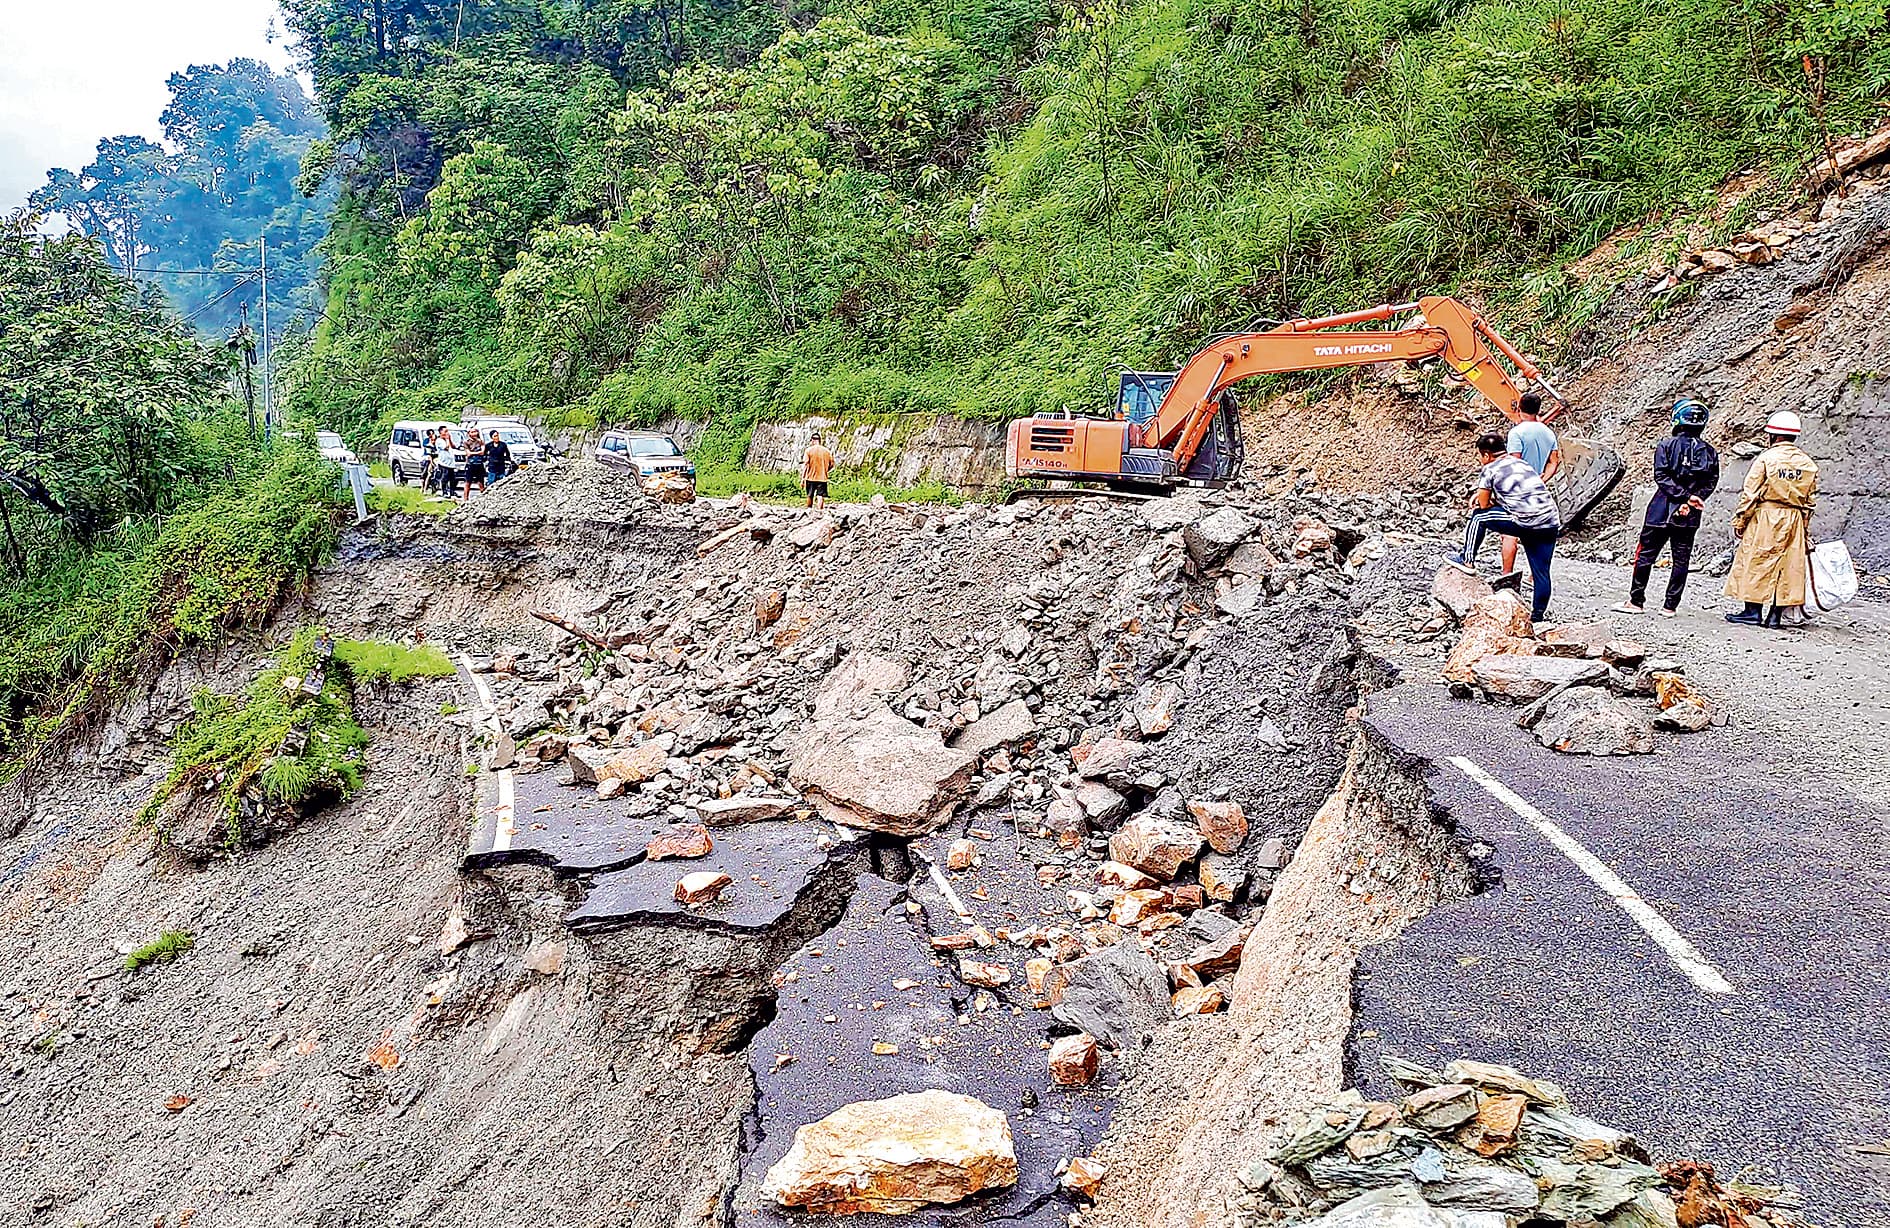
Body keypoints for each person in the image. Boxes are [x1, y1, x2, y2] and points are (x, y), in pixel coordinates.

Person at [1613, 398, 1721, 617]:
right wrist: (1693, 498)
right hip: (1689, 516)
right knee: (1681, 560)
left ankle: (1636, 601)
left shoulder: (1666, 445)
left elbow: (1661, 476)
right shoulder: (1709, 451)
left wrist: (1684, 497)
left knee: (1645, 556)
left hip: (1660, 511)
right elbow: (1711, 481)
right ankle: (1670, 606)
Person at [1445, 432, 1562, 621]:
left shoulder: (1490, 469)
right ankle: (1538, 616)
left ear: (1486, 455)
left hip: (1524, 520)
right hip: (1549, 521)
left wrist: (1484, 497)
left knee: (1478, 517)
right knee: (1541, 571)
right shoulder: (1522, 464)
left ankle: (1467, 559)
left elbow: (1483, 506)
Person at [1724, 410, 1817, 627]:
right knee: (1787, 566)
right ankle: (1775, 616)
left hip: (1767, 515)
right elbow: (1810, 501)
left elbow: (1750, 493)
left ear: (1772, 436)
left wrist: (1741, 520)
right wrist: (1805, 528)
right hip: (1794, 517)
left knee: (1757, 560)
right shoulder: (1807, 463)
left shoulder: (1766, 459)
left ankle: (1752, 612)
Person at [1499, 392, 1562, 579]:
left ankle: (1507, 574)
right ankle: (1535, 575)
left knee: (1509, 533)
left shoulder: (1516, 433)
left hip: (1518, 488)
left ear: (1519, 408)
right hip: (1537, 489)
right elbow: (1554, 461)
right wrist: (1542, 479)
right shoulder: (1547, 432)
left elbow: (1514, 462)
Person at [801, 433, 835, 509]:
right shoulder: (827, 451)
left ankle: (809, 510)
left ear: (812, 440)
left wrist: (803, 478)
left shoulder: (808, 451)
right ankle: (820, 512)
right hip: (822, 478)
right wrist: (825, 470)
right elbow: (832, 464)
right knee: (820, 496)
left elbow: (806, 464)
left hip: (810, 477)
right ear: (820, 440)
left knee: (810, 495)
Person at [461, 428, 487, 500]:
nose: (474, 434)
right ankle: (465, 499)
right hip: (470, 464)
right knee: (468, 482)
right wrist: (476, 453)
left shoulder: (480, 441)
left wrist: (473, 453)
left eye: (475, 432)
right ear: (469, 434)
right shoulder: (466, 442)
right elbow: (468, 453)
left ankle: (483, 498)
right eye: (472, 432)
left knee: (481, 482)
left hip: (479, 463)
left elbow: (482, 452)